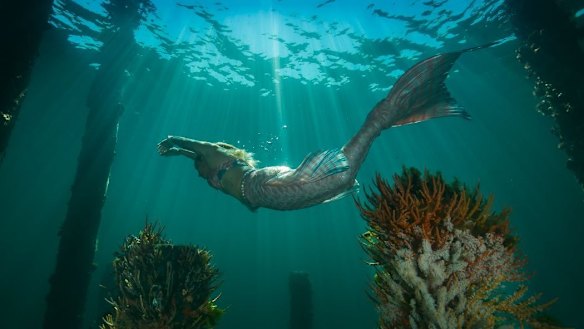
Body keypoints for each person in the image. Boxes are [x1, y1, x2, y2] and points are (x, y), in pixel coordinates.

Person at [158, 44, 491, 211]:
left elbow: (197, 145)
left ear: (210, 161)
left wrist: (174, 142)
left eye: (197, 166)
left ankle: (391, 110)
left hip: (265, 187)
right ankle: (403, 110)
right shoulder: (216, 168)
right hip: (267, 190)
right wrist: (178, 153)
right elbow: (198, 156)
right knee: (336, 184)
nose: (198, 171)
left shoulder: (215, 157)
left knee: (344, 175)